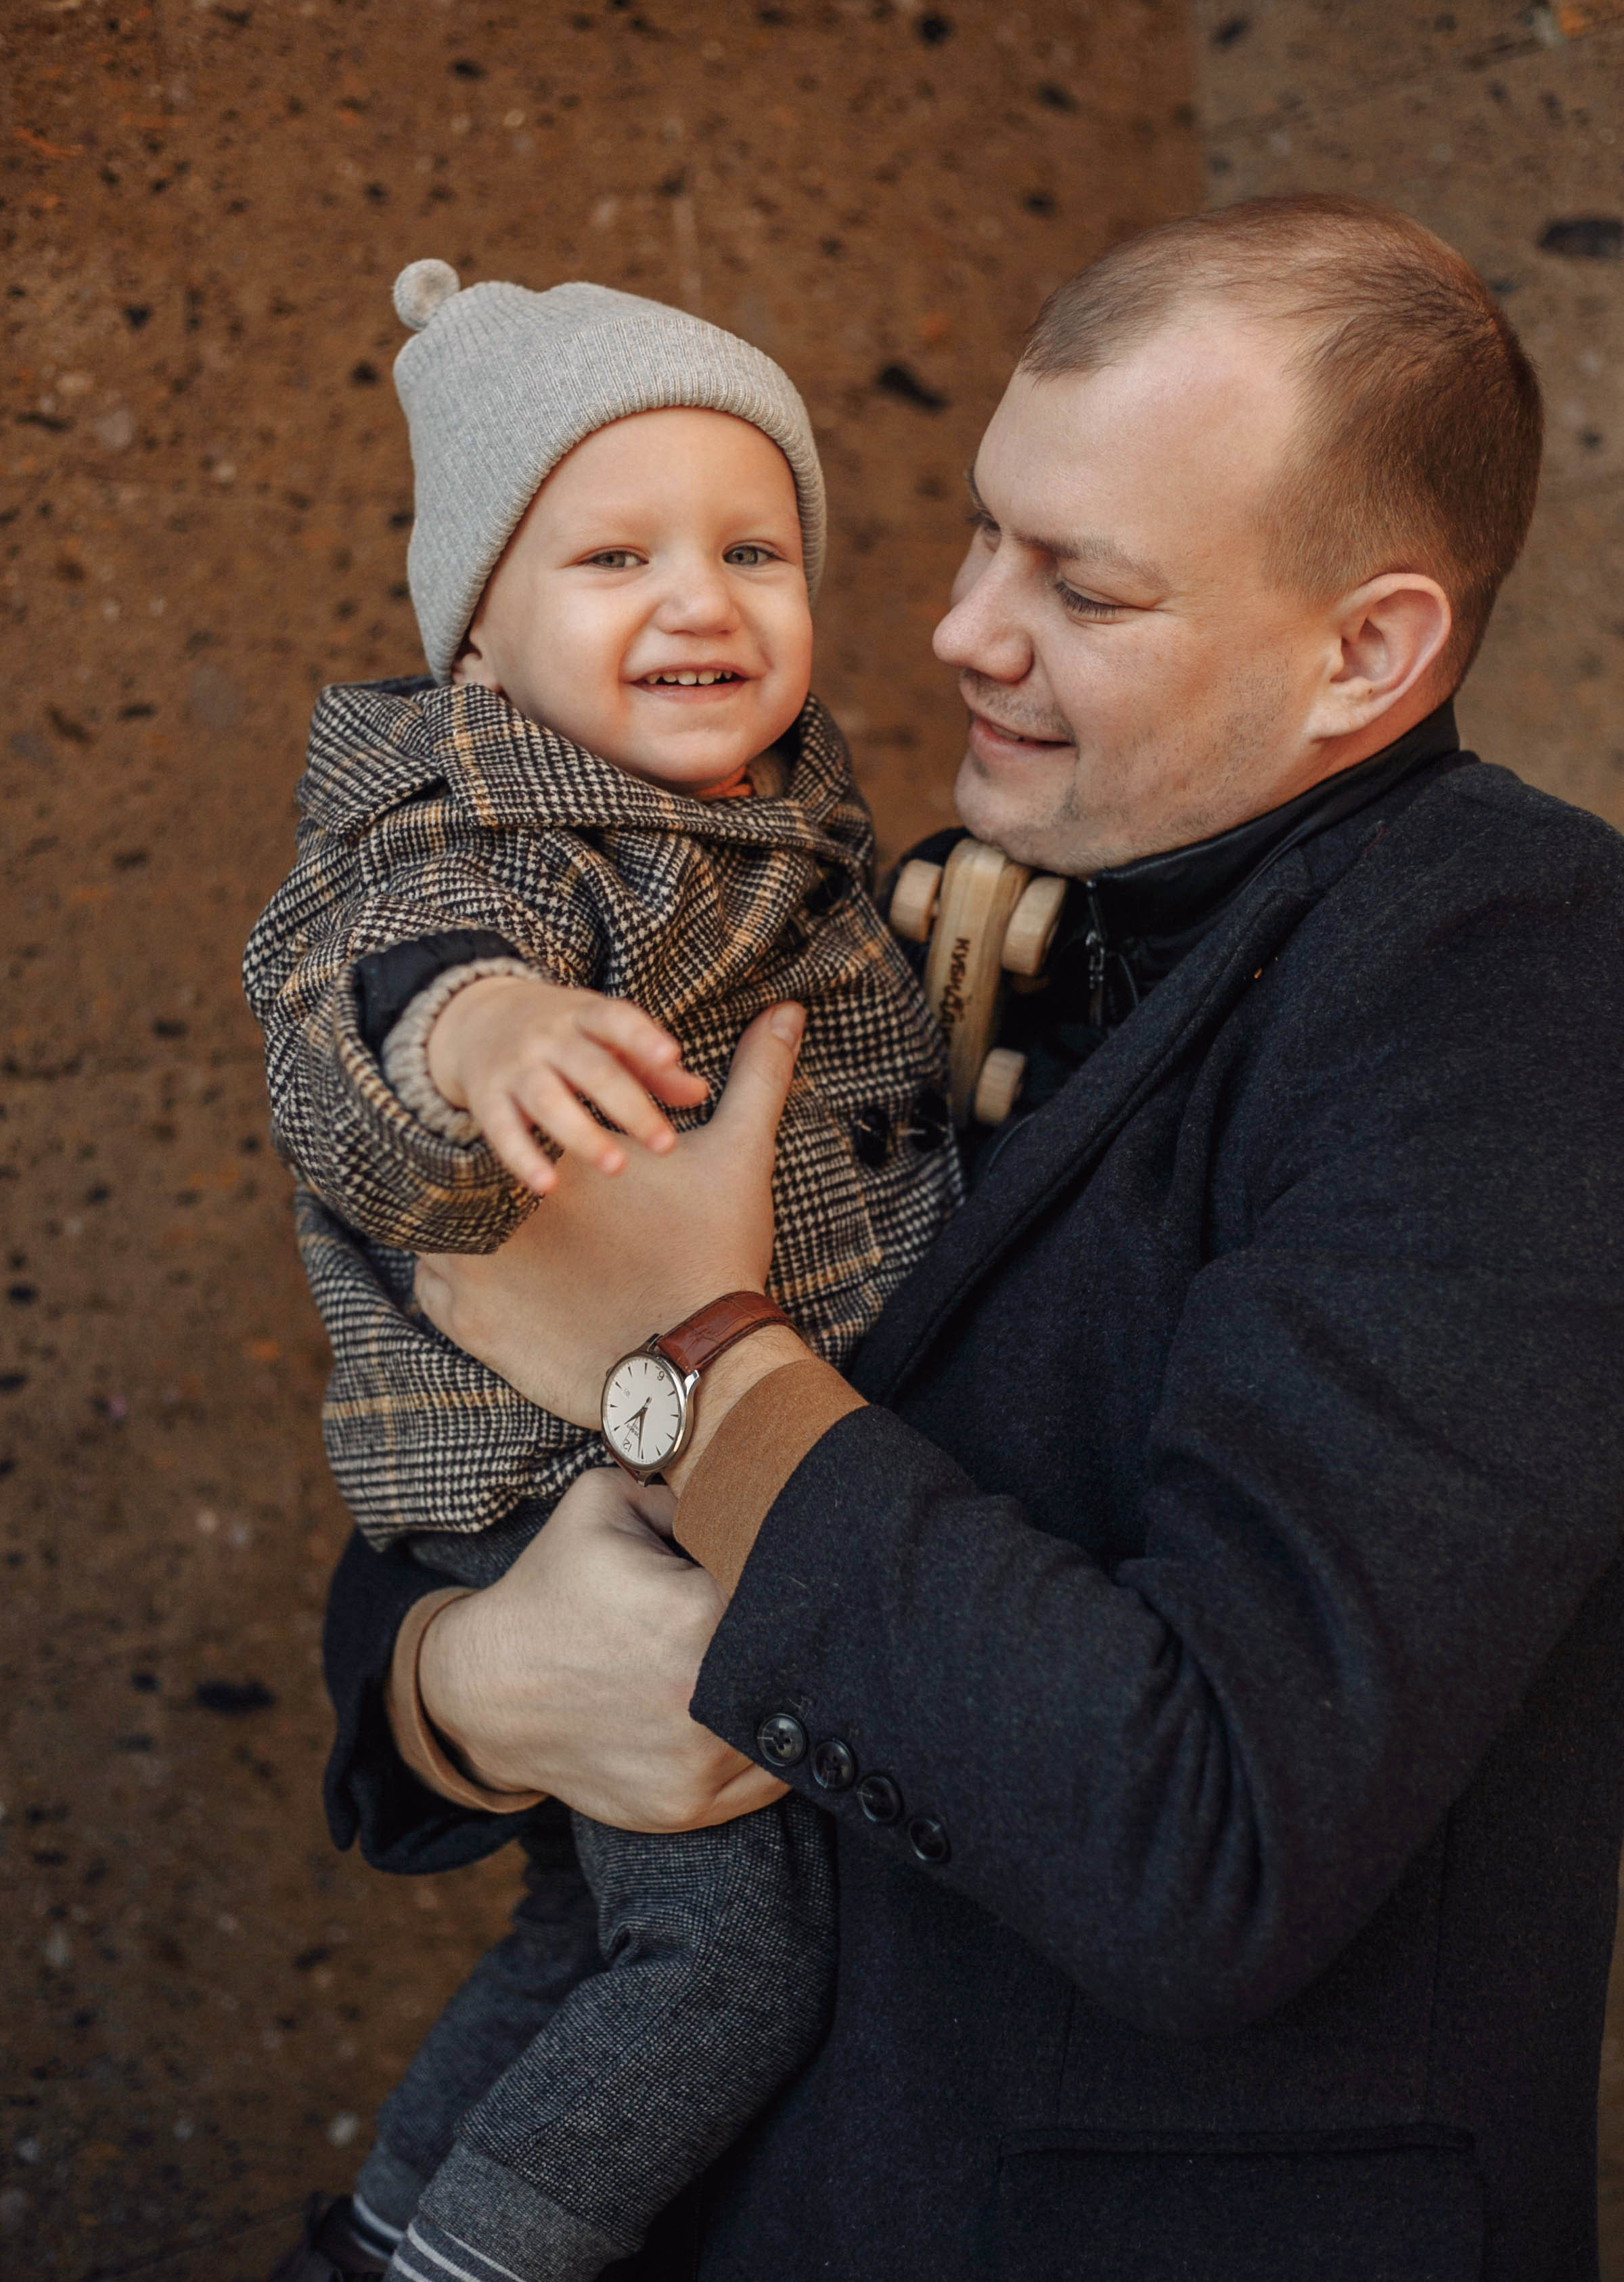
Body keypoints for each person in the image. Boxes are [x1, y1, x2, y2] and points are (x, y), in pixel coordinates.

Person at [311, 198, 1624, 2281]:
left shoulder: (1512, 969)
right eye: (985, 533)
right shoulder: (872, 904)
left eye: (1082, 587)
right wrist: (470, 1687)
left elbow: (1210, 1836)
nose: (962, 631)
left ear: (1366, 648)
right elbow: (481, 1482)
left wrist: (690, 1367)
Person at [248, 261, 957, 2282]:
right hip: (558, 1483)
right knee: (732, 1962)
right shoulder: (488, 827)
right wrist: (490, 1037)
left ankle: (389, 2233)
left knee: (595, 1922)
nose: (703, 602)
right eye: (615, 555)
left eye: (755, 548)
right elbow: (380, 986)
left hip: (673, 1458)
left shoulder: (773, 820)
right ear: (481, 621)